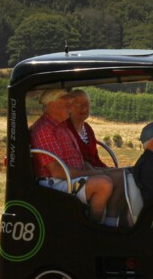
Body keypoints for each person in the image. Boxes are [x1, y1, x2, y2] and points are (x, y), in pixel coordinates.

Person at [29, 88, 119, 226]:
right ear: (52, 105)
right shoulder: (45, 130)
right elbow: (57, 172)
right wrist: (90, 173)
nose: (71, 107)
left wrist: (93, 170)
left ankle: (114, 223)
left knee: (119, 175)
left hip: (69, 177)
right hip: (54, 183)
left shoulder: (61, 126)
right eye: (67, 103)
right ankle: (95, 230)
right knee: (103, 184)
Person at [64, 89, 108, 169]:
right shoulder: (65, 129)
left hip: (96, 171)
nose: (84, 109)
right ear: (69, 107)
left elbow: (96, 159)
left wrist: (109, 169)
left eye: (87, 105)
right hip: (81, 175)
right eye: (79, 105)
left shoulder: (87, 128)